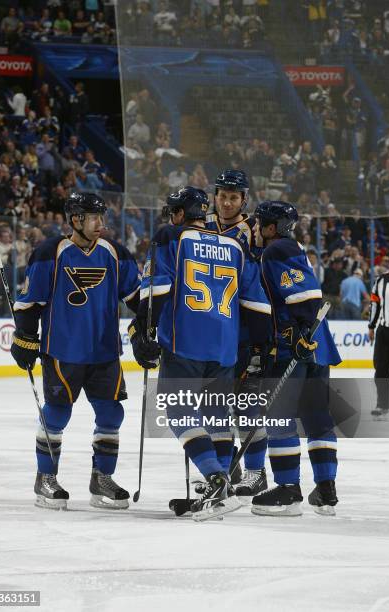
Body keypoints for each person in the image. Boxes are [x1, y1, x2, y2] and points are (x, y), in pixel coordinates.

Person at [129, 186, 271, 521]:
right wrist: (262, 350)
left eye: (172, 212)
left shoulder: (172, 237)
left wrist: (144, 333)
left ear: (180, 214)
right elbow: (257, 305)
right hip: (224, 349)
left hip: (185, 343)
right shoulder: (235, 246)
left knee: (178, 412)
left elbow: (157, 288)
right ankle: (218, 492)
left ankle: (215, 478)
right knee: (217, 418)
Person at [9, 192, 141, 510]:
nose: (101, 223)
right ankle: (46, 478)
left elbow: (138, 300)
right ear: (75, 220)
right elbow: (30, 304)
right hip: (62, 351)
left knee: (112, 414)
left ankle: (102, 479)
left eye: (101, 216)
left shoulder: (115, 253)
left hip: (105, 353)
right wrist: (25, 338)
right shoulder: (49, 252)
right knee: (56, 414)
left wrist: (147, 329)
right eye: (93, 217)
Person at [251, 200, 341, 517]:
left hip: (298, 345)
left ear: (272, 227)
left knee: (279, 416)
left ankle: (288, 489)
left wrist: (294, 336)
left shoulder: (277, 250)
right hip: (316, 345)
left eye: (260, 222)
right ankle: (326, 488)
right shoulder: (294, 247)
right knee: (317, 417)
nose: (255, 227)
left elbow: (306, 295)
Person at [206, 169, 270, 498]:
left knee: (246, 405)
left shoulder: (254, 231)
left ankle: (256, 472)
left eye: (233, 196)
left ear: (244, 199)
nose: (227, 202)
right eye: (222, 195)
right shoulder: (200, 227)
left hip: (244, 330)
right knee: (213, 405)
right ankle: (223, 470)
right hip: (211, 329)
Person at [368, 249, 389, 417]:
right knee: (381, 369)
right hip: (384, 331)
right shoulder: (380, 281)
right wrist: (371, 326)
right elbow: (375, 305)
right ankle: (383, 405)